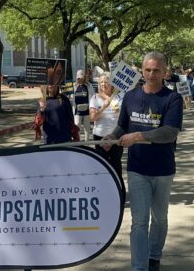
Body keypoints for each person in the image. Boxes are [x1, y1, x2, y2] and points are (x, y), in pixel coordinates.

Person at [105, 51, 183, 271]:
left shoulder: (172, 99)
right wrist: (112, 137)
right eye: (147, 70)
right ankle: (139, 267)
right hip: (137, 168)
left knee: (160, 218)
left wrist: (138, 136)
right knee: (140, 221)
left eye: (156, 70)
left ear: (165, 72)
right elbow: (122, 126)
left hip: (163, 169)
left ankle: (154, 255)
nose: (151, 74)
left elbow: (169, 133)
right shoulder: (130, 96)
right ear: (142, 70)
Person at [89, 73, 125, 183]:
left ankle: (119, 189)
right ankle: (104, 189)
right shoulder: (94, 98)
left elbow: (124, 116)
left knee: (116, 164)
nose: (104, 84)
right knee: (103, 165)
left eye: (106, 82)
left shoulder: (119, 97)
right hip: (100, 136)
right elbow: (92, 118)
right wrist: (104, 106)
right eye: (101, 82)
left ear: (112, 83)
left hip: (116, 136)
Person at [73, 69, 92, 141]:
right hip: (77, 110)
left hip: (87, 109)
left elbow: (92, 96)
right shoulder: (74, 86)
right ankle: (78, 141)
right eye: (78, 78)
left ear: (84, 77)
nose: (80, 79)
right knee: (77, 125)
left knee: (87, 127)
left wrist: (91, 107)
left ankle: (86, 142)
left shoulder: (88, 86)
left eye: (81, 77)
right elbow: (71, 96)